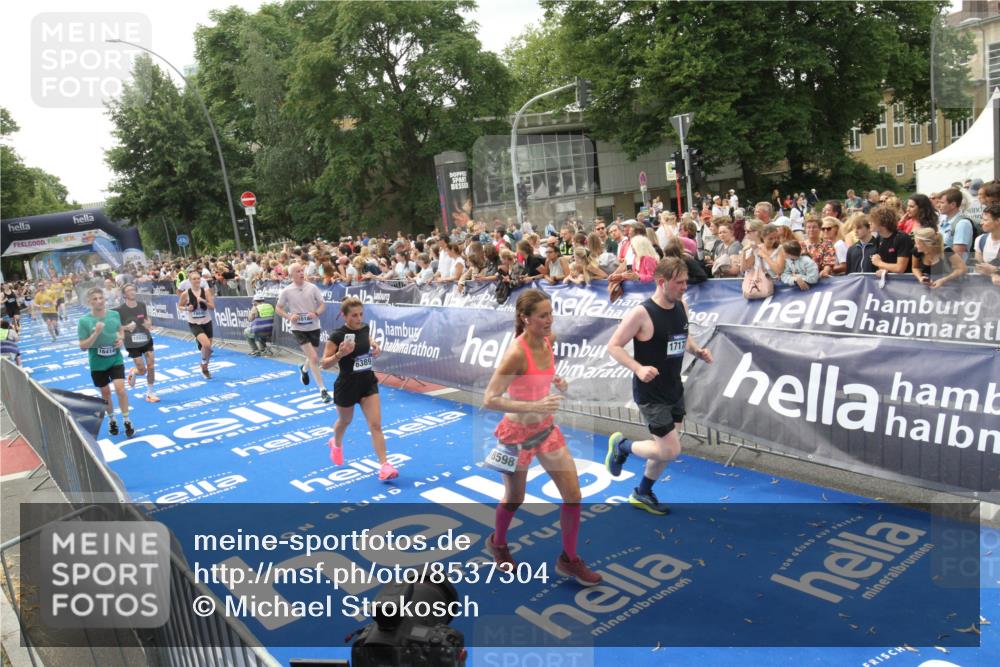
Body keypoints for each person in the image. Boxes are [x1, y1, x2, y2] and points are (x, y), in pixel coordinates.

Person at [481, 290, 601, 585]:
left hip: (546, 431)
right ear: (525, 318)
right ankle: (497, 542)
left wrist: (556, 381)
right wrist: (533, 405)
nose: (550, 320)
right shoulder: (515, 353)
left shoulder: (550, 339)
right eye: (543, 315)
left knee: (573, 496)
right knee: (515, 498)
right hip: (515, 436)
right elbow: (490, 399)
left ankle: (569, 560)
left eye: (551, 313)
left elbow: (538, 378)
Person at [605, 258, 712, 515]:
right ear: (662, 282)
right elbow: (613, 346)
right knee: (671, 449)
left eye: (686, 281)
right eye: (679, 282)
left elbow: (683, 336)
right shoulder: (641, 313)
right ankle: (622, 446)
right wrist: (638, 368)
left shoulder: (682, 306)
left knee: (664, 449)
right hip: (651, 393)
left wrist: (697, 350)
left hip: (674, 388)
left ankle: (642, 492)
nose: (685, 287)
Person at [321, 297, 398, 481]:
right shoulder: (337, 336)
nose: (358, 318)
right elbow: (324, 363)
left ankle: (384, 466)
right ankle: (336, 443)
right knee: (345, 421)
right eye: (354, 315)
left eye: (361, 314)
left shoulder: (365, 327)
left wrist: (375, 345)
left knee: (376, 425)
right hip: (347, 386)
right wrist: (340, 354)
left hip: (367, 383)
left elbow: (367, 337)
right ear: (345, 316)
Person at [78, 287, 134, 437]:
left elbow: (120, 330)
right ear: (89, 302)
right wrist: (95, 333)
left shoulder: (114, 314)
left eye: (100, 298)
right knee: (106, 394)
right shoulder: (84, 321)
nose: (99, 301)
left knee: (120, 389)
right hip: (97, 363)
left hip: (115, 359)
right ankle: (112, 420)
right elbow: (83, 346)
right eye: (95, 299)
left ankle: (127, 420)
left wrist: (121, 339)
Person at [276, 263, 330, 402]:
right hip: (298, 328)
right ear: (291, 274)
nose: (301, 273)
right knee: (313, 357)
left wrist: (316, 313)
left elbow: (323, 304)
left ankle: (304, 369)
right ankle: (323, 390)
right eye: (298, 271)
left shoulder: (312, 287)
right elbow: (278, 308)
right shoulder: (287, 291)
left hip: (314, 326)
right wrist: (289, 316)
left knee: (312, 357)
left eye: (302, 270)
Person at [115, 284, 159, 403]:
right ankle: (134, 371)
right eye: (129, 290)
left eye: (133, 289)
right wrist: (126, 327)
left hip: (146, 339)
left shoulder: (141, 305)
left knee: (151, 365)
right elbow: (114, 326)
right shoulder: (119, 310)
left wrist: (149, 323)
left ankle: (150, 392)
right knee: (142, 370)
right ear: (124, 294)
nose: (132, 292)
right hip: (132, 343)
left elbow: (146, 319)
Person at [178, 272, 215, 379]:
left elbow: (212, 307)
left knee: (207, 349)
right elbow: (179, 306)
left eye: (198, 278)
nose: (197, 280)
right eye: (194, 279)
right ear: (190, 281)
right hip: (194, 323)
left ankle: (204, 367)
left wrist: (203, 301)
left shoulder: (205, 291)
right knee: (207, 345)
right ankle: (204, 365)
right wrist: (186, 308)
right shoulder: (186, 293)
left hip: (207, 321)